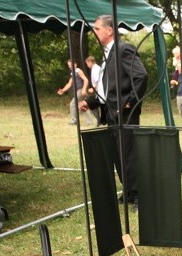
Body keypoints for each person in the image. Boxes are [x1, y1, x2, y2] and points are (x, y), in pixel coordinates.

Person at [79, 14, 148, 209]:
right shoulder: (108, 52)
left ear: (109, 30)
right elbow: (108, 88)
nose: (94, 32)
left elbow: (141, 76)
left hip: (125, 113)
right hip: (112, 113)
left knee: (128, 154)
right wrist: (91, 103)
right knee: (118, 155)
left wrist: (130, 102)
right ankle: (128, 191)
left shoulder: (123, 49)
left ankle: (139, 195)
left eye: (97, 28)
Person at [57, 59, 95, 125]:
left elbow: (86, 80)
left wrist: (83, 89)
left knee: (73, 104)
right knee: (84, 105)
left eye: (71, 65)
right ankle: (90, 122)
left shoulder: (78, 71)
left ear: (75, 64)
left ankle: (75, 120)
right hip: (79, 90)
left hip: (81, 90)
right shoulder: (73, 73)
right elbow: (69, 83)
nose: (70, 66)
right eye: (69, 65)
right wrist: (63, 90)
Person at [84, 56, 102, 124]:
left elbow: (98, 81)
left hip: (99, 91)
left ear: (90, 62)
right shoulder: (96, 68)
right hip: (98, 91)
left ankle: (99, 120)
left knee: (91, 103)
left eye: (87, 63)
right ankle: (99, 120)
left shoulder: (95, 69)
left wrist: (93, 89)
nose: (87, 65)